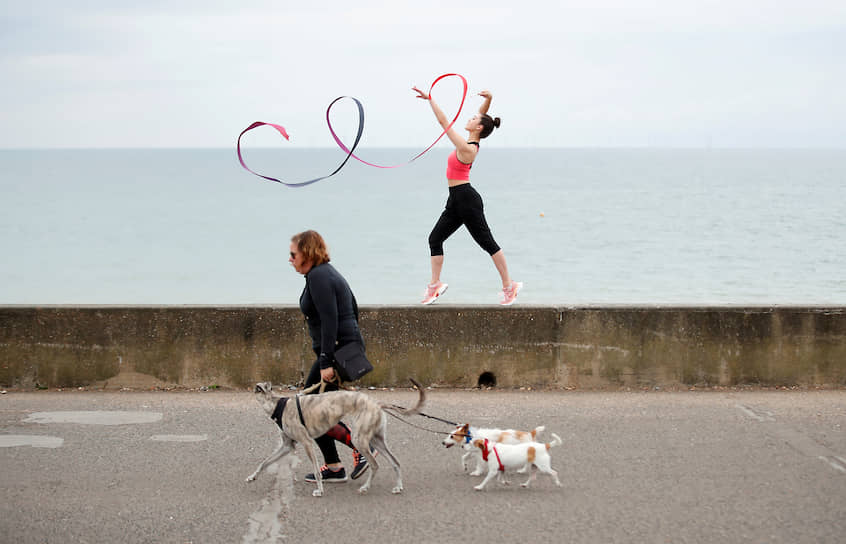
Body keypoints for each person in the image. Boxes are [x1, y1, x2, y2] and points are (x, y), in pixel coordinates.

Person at [412, 86, 523, 305]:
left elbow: (444, 122)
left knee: (487, 243)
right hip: (455, 198)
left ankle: (509, 286)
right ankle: (435, 285)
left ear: (478, 127)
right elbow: (483, 118)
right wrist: (489, 99)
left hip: (466, 199)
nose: (469, 118)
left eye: (473, 118)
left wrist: (431, 100)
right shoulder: (472, 139)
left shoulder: (468, 148)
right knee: (435, 239)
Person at [288, 229, 369, 483]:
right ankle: (334, 466)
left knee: (307, 410)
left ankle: (361, 450)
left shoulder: (319, 277)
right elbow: (353, 308)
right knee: (311, 410)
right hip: (342, 349)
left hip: (336, 354)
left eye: (293, 254)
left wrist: (327, 361)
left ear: (307, 253)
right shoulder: (324, 273)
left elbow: (329, 320)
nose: (290, 259)